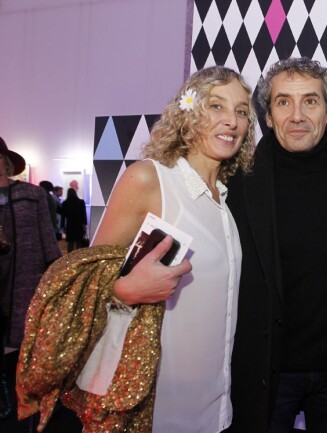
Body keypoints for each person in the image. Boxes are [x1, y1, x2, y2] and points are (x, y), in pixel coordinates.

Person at [17, 66, 256, 432]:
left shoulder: (225, 200)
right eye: (215, 106)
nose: (231, 120)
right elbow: (85, 280)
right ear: (189, 113)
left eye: (241, 111)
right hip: (156, 405)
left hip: (215, 404)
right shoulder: (150, 179)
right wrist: (124, 289)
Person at [225, 57, 327, 433]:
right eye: (283, 102)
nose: (297, 115)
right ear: (269, 116)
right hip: (266, 369)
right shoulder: (238, 181)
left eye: (310, 101)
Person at [0, 137, 61, 419]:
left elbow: (48, 238)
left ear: (6, 160)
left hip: (26, 276)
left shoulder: (32, 194)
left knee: (26, 340)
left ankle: (26, 404)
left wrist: (55, 274)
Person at [60, 187, 88, 252]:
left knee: (70, 242)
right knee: (79, 241)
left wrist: (62, 226)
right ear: (75, 193)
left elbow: (63, 216)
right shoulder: (81, 202)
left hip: (69, 225)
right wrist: (84, 224)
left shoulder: (65, 203)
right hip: (79, 224)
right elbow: (83, 214)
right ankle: (78, 257)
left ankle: (69, 258)